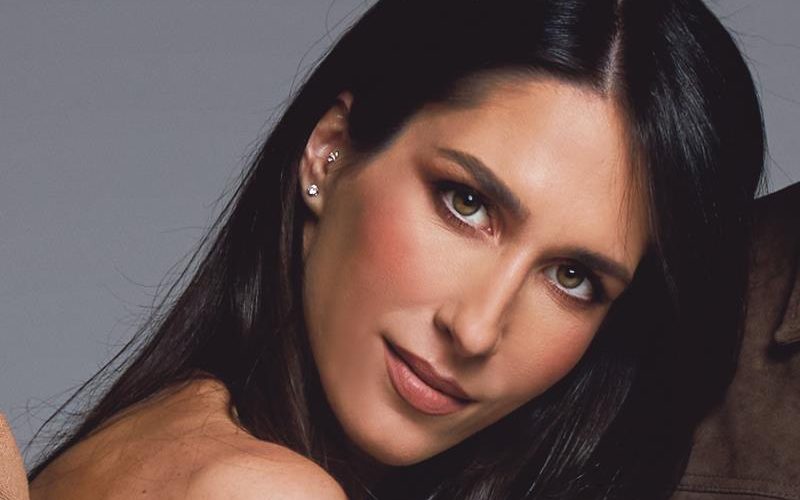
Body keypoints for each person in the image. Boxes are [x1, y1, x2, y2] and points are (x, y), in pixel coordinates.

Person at [26, 0, 766, 498]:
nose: (476, 328)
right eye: (466, 203)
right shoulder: (264, 491)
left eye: (572, 277)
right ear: (330, 151)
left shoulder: (154, 432)